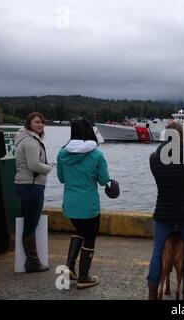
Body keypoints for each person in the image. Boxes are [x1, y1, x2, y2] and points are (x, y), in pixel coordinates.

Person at [147, 121, 184, 300]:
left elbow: (160, 183)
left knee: (157, 250)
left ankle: (153, 293)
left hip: (163, 213)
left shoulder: (154, 158)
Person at [57, 118, 110, 289]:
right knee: (90, 237)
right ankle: (84, 277)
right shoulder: (96, 154)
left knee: (80, 230)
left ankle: (71, 268)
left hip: (70, 205)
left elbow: (61, 178)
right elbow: (103, 181)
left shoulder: (62, 153)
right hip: (89, 206)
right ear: (90, 132)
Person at [14, 112, 52, 273]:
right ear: (29, 123)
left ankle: (30, 260)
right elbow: (34, 165)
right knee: (31, 225)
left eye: (42, 122)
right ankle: (33, 262)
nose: (41, 125)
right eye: (37, 122)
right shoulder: (30, 141)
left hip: (25, 185)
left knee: (28, 223)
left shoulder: (25, 138)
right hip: (31, 186)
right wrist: (49, 167)